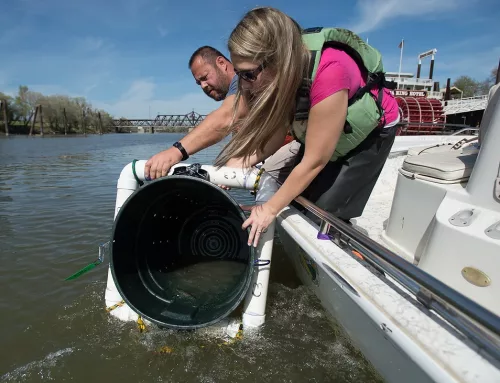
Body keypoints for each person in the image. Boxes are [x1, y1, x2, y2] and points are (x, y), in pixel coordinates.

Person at [211, 7, 400, 247]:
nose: (245, 87)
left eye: (248, 75)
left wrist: (269, 209)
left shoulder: (329, 71)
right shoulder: (282, 75)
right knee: (300, 198)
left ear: (278, 60)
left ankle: (354, 256)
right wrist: (239, 163)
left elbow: (315, 161)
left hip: (371, 134)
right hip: (328, 134)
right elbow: (277, 134)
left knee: (324, 212)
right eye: (239, 75)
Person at [144, 46, 240, 180]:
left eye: (205, 77)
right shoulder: (242, 94)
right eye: (198, 83)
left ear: (222, 63)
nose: (203, 86)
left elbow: (226, 117)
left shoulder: (243, 80)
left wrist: (175, 152)